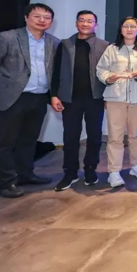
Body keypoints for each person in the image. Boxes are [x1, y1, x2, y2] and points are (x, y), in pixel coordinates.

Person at [0, 3, 60, 198]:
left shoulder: (54, 42)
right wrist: (9, 82)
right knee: (5, 142)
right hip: (12, 98)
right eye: (37, 16)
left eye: (47, 18)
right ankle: (6, 182)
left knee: (29, 139)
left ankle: (25, 174)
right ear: (26, 18)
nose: (42, 20)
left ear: (51, 22)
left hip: (39, 97)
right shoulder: (6, 38)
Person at [51, 10, 108, 191]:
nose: (85, 24)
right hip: (70, 98)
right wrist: (54, 95)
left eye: (89, 21)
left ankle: (90, 169)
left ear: (96, 25)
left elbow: (109, 73)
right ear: (76, 24)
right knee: (70, 137)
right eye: (81, 20)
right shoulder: (65, 45)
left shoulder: (104, 46)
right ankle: (70, 173)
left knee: (95, 136)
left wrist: (109, 97)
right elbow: (55, 71)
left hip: (95, 98)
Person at [96, 17, 137, 188]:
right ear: (121, 29)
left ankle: (135, 166)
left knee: (136, 135)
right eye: (126, 26)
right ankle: (114, 171)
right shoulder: (112, 49)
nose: (129, 29)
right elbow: (100, 69)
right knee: (115, 136)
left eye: (133, 26)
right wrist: (109, 77)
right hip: (115, 97)